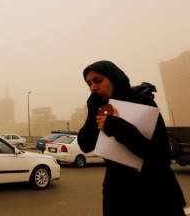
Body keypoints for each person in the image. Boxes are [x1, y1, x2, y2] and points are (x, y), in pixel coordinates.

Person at [78, 60, 186, 216]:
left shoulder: (142, 102)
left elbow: (161, 157)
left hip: (155, 194)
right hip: (119, 196)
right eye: (89, 84)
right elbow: (85, 144)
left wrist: (117, 127)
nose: (93, 87)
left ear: (113, 78)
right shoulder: (102, 109)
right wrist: (92, 110)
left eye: (98, 80)